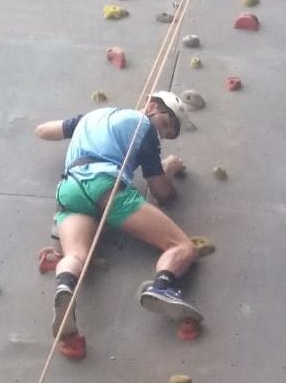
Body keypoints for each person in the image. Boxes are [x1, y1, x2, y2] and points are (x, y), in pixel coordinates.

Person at [34, 92, 200, 356]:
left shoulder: (89, 118)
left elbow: (43, 130)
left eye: (168, 134)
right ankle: (162, 287)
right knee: (182, 247)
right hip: (107, 187)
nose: (163, 135)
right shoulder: (143, 128)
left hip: (68, 189)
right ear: (152, 106)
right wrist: (169, 168)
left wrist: (81, 129)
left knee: (76, 255)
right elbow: (163, 193)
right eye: (167, 125)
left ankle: (65, 285)